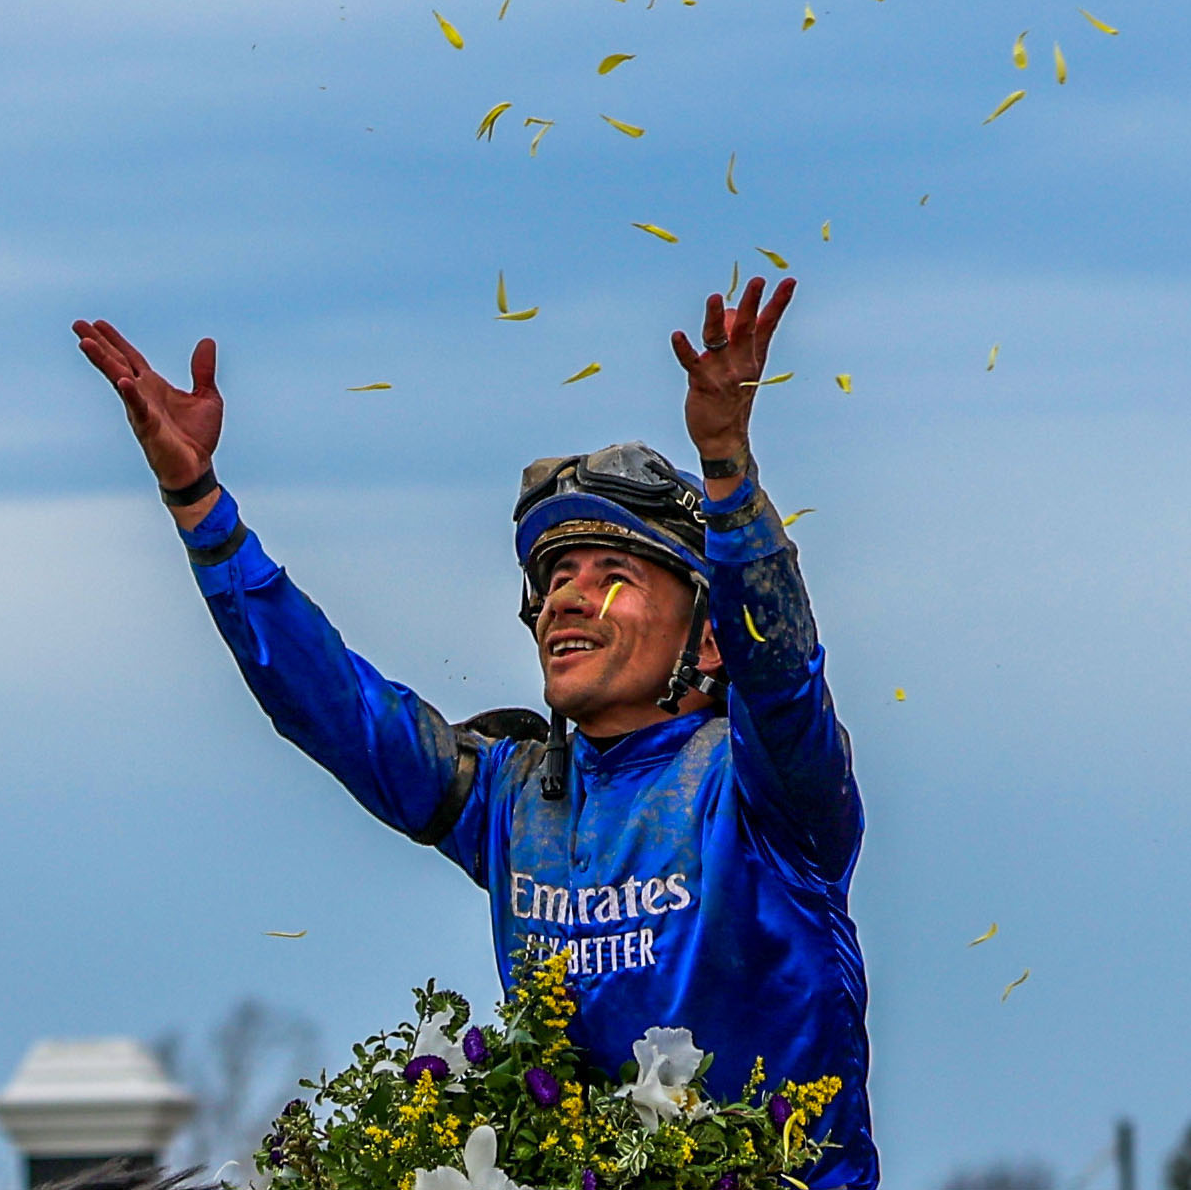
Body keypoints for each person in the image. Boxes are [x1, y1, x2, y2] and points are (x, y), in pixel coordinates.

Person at [72, 277, 876, 1189]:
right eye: (555, 575)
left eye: (613, 572)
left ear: (711, 637)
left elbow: (784, 670)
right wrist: (201, 507)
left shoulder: (768, 791)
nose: (567, 597)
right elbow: (334, 709)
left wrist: (726, 463)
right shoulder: (512, 793)